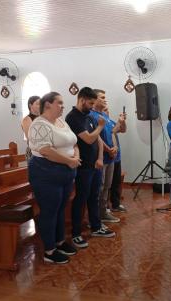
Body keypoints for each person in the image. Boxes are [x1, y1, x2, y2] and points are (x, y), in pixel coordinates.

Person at [28, 92, 80, 264]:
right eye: (60, 103)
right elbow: (45, 150)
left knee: (60, 208)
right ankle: (49, 250)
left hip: (65, 172)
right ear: (48, 104)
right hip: (46, 173)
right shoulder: (38, 124)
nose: (63, 106)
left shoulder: (61, 121)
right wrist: (69, 161)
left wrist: (74, 158)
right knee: (50, 211)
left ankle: (59, 242)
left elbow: (74, 142)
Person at [65, 88, 115, 249]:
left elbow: (98, 140)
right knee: (81, 199)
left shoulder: (88, 116)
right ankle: (76, 233)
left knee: (94, 195)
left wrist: (100, 158)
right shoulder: (73, 117)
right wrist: (101, 126)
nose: (93, 106)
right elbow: (87, 139)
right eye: (91, 103)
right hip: (83, 166)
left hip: (95, 165)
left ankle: (96, 226)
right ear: (82, 100)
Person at [90, 89, 120, 223]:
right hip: (100, 157)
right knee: (100, 187)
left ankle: (103, 212)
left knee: (107, 185)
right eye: (102, 97)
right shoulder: (91, 115)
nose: (105, 99)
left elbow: (111, 132)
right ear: (94, 100)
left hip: (111, 156)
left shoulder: (105, 115)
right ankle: (96, 216)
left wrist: (115, 147)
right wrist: (108, 150)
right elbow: (97, 137)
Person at [104, 106, 127, 213]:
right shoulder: (102, 123)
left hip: (117, 157)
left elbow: (123, 130)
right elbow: (111, 132)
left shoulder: (111, 121)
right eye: (104, 110)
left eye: (108, 109)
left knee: (116, 182)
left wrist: (122, 122)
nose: (107, 111)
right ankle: (105, 206)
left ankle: (116, 204)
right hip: (108, 157)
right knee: (106, 184)